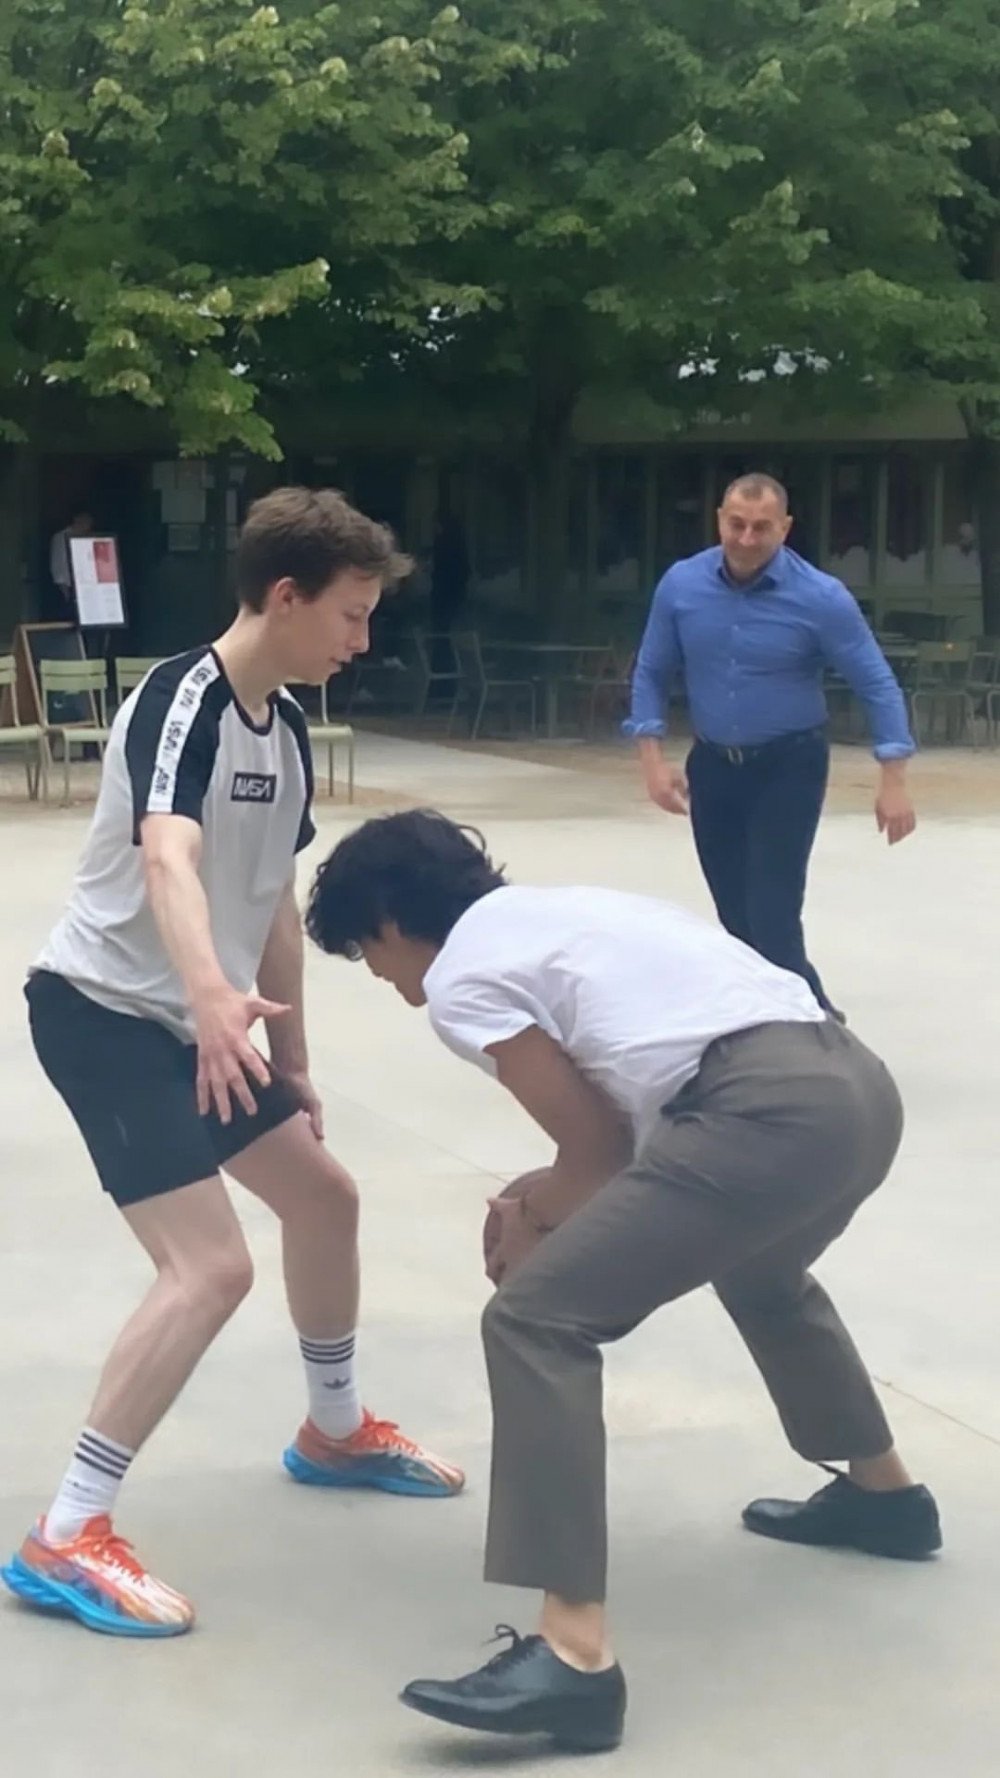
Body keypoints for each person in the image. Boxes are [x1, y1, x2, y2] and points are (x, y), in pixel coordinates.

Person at [305, 810, 941, 1754]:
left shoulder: (462, 981)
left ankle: (574, 1655)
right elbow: (621, 1144)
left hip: (758, 1115)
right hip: (852, 1087)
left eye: (369, 957)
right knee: (757, 1265)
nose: (391, 984)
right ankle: (885, 1497)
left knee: (535, 1321)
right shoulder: (565, 912)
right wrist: (539, 1199)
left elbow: (597, 1148)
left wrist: (533, 1224)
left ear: (392, 924)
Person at [2, 490, 464, 1642]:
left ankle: (333, 1427)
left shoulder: (287, 731)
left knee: (324, 1195)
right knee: (209, 1269)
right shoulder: (181, 699)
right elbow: (171, 852)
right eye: (349, 617)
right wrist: (207, 1002)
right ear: (285, 596)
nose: (360, 642)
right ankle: (65, 1531)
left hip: (202, 1022)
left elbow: (268, 910)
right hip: (106, 1015)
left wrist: (289, 1054)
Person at [625, 473, 916, 1016]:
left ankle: (813, 1023)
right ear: (719, 519)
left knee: (773, 913)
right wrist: (652, 760)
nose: (747, 538)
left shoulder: (821, 597)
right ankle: (769, 1023)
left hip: (789, 764)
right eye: (737, 524)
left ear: (784, 528)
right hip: (712, 764)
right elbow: (651, 670)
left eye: (762, 527)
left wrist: (893, 779)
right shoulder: (682, 585)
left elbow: (875, 681)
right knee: (734, 916)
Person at [49, 510, 93, 611]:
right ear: (76, 519)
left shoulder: (88, 538)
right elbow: (57, 566)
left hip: (85, 587)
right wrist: (65, 591)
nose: (87, 524)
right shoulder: (61, 537)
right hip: (67, 589)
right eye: (85, 520)